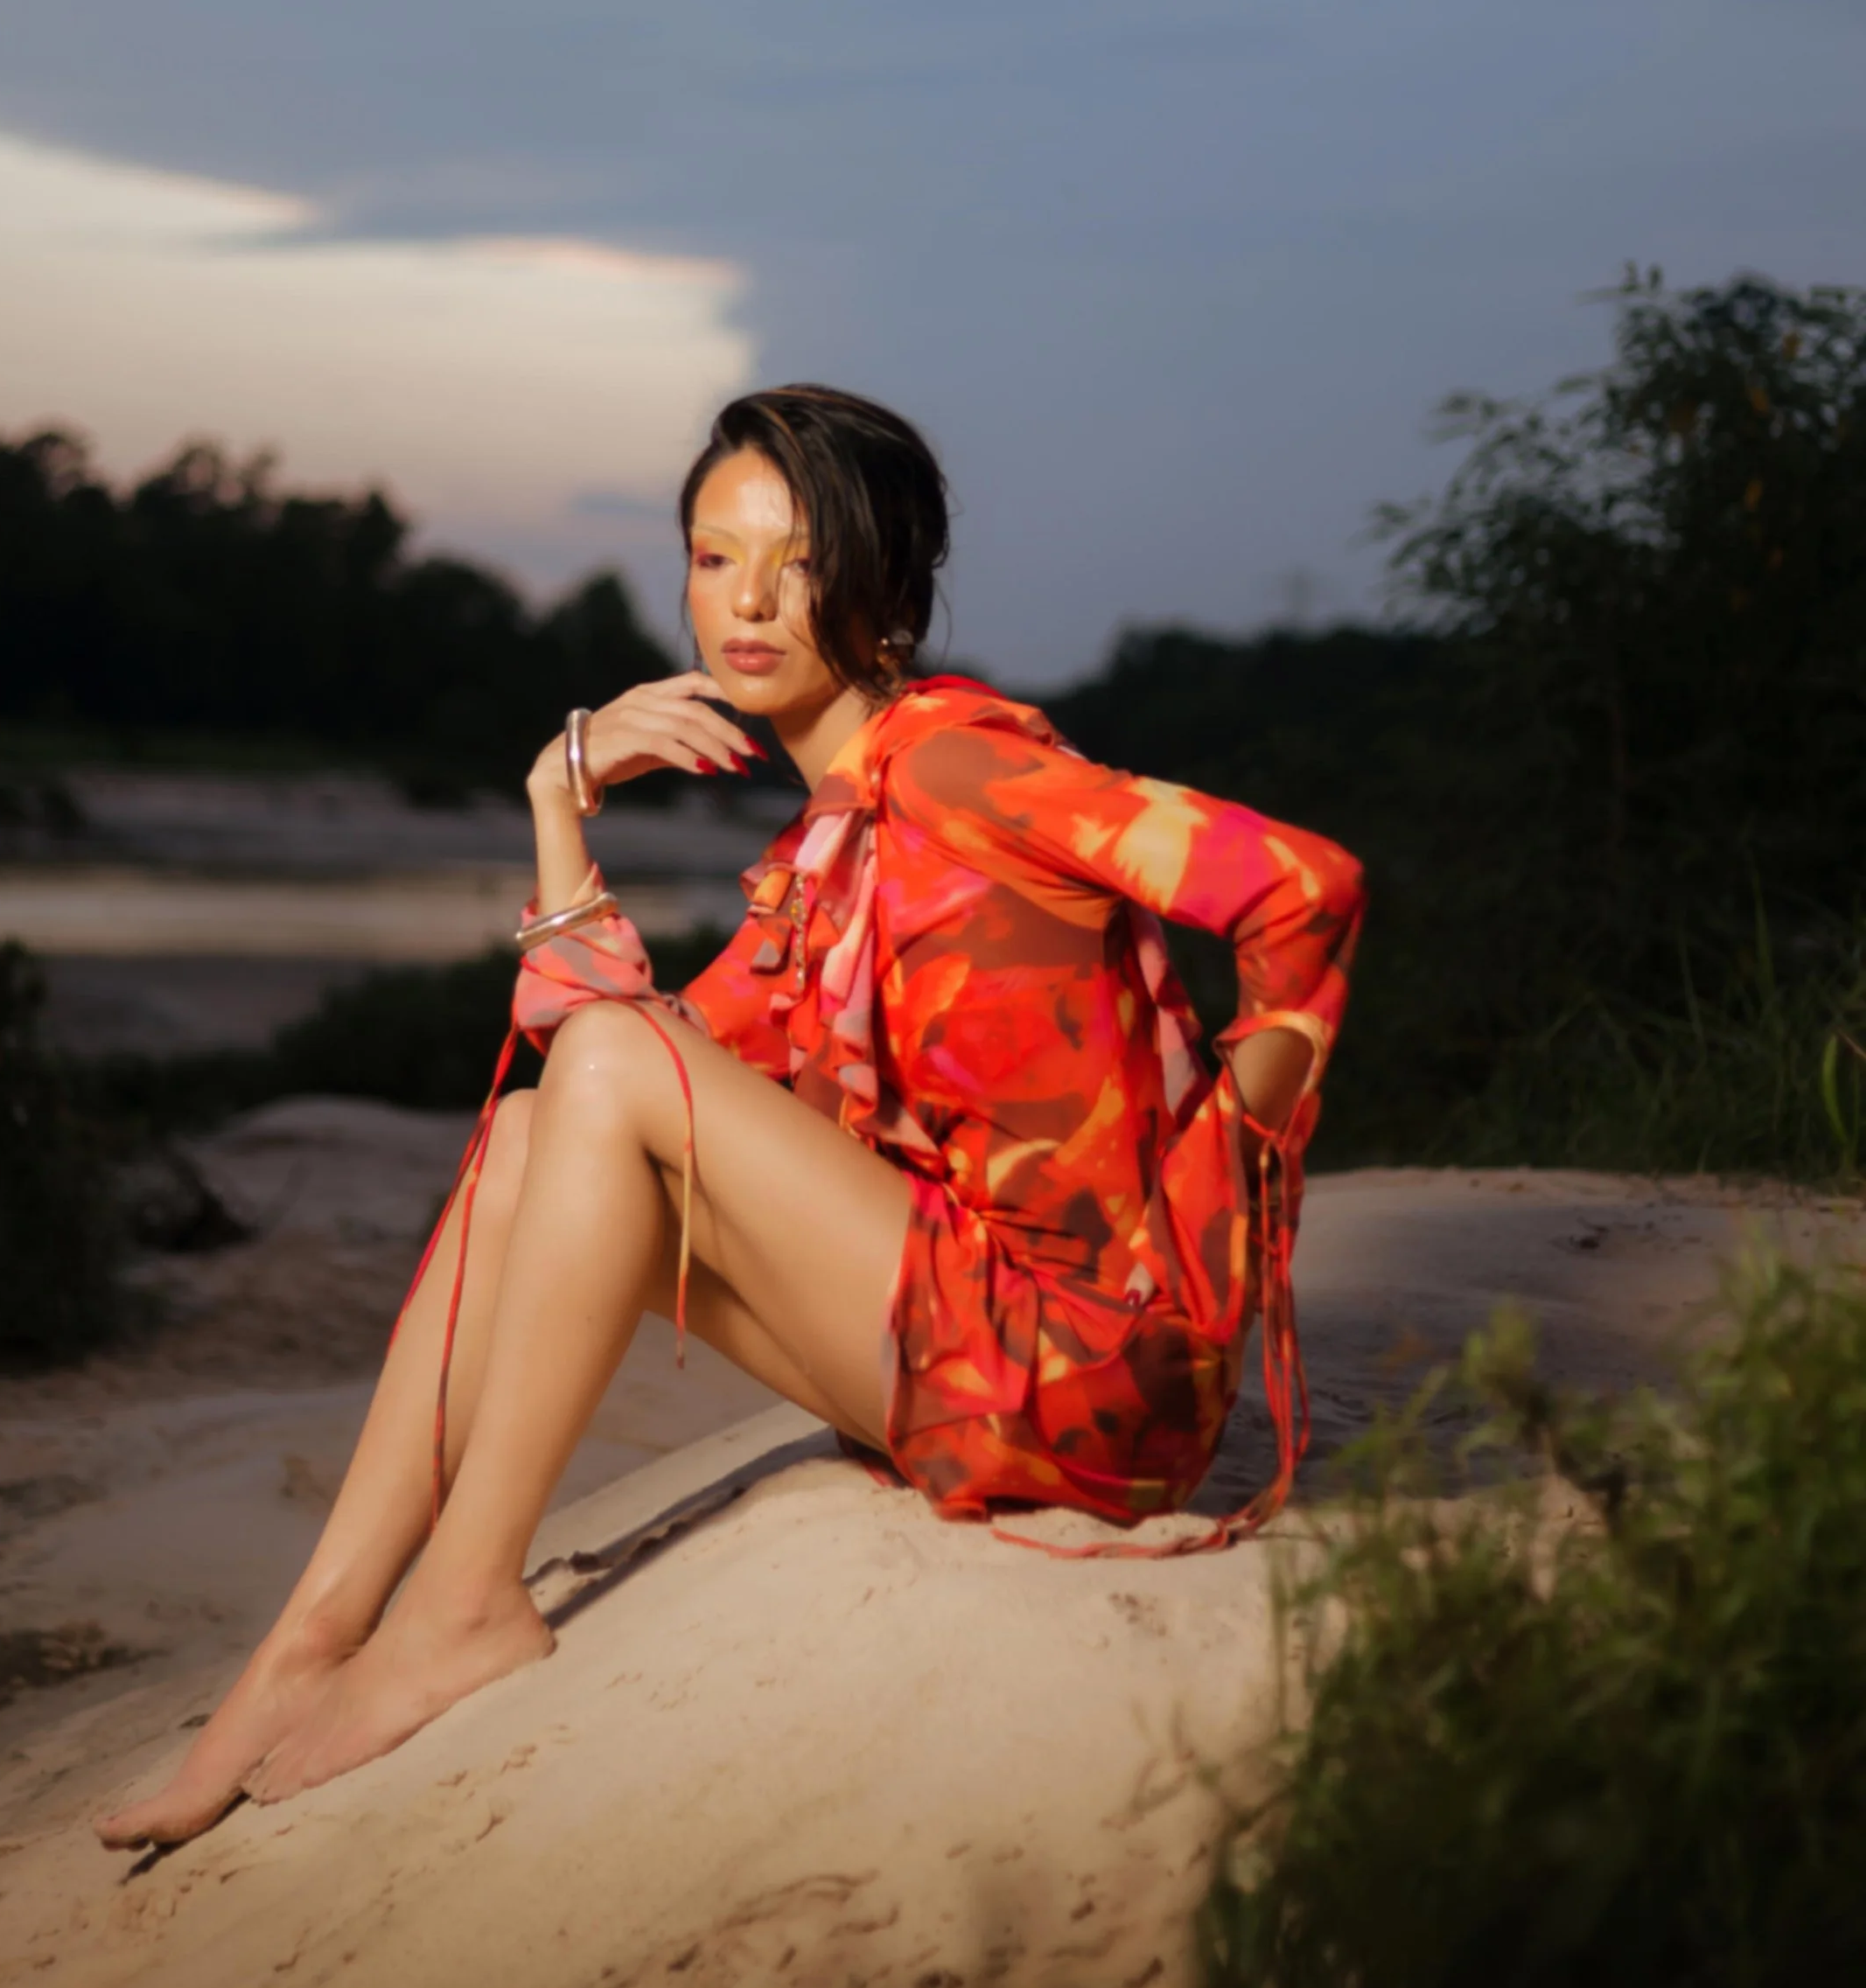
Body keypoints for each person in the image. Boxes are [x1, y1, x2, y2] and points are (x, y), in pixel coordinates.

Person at [98, 385, 1363, 1846]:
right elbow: (596, 1076)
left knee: (610, 1078)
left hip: (1090, 1382)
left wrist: (1223, 1183)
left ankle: (461, 1601)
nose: (749, 600)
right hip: (970, 1351)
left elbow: (1302, 888)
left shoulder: (963, 768)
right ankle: (309, 1641)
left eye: (800, 558)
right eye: (714, 557)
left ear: (883, 585)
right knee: (527, 1136)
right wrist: (556, 797)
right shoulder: (832, 848)